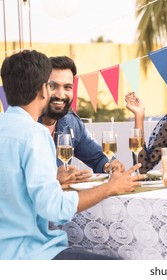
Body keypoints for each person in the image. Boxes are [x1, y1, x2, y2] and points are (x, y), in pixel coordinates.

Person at [0, 50, 145, 260]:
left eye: (67, 86)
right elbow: (54, 208)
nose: (59, 93)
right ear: (43, 89)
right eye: (52, 86)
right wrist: (110, 187)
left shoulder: (11, 126)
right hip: (25, 253)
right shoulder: (34, 133)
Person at [38, 56, 124, 186]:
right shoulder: (22, 126)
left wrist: (108, 166)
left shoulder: (71, 123)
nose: (61, 95)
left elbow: (98, 158)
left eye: (67, 87)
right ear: (40, 88)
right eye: (53, 86)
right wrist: (54, 178)